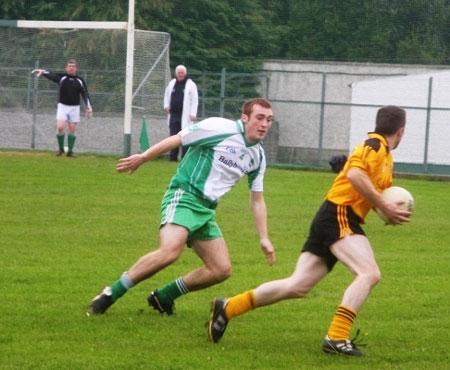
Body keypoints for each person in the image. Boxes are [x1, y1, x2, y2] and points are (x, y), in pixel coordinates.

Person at [208, 105, 411, 358]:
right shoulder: (374, 145)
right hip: (338, 214)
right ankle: (337, 336)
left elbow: (370, 192)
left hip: (335, 217)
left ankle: (228, 307)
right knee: (369, 273)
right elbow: (356, 175)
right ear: (401, 131)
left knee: (297, 286)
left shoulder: (386, 158)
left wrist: (388, 211)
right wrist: (382, 205)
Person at [87, 98, 276, 316]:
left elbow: (257, 200)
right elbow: (179, 138)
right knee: (169, 251)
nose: (264, 124)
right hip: (184, 195)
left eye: (269, 120)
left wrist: (264, 237)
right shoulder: (220, 128)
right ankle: (110, 293)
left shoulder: (258, 156)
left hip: (206, 211)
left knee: (221, 270)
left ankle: (163, 297)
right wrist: (144, 157)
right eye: (260, 118)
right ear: (245, 118)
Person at [32, 60, 93, 157]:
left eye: (73, 66)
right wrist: (43, 72)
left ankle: (70, 151)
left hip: (75, 108)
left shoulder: (79, 80)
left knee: (72, 129)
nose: (71, 67)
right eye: (69, 66)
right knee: (60, 127)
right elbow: (52, 76)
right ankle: (60, 149)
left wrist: (89, 107)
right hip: (62, 106)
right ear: (66, 68)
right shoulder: (62, 78)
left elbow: (85, 94)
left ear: (76, 68)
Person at [164, 65, 198, 161]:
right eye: (179, 72)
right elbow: (166, 95)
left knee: (185, 136)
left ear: (185, 73)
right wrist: (166, 106)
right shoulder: (172, 83)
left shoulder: (191, 85)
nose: (180, 74)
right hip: (173, 115)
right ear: (176, 74)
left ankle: (185, 157)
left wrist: (193, 113)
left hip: (185, 116)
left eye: (182, 72)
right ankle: (173, 157)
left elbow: (195, 100)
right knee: (173, 135)